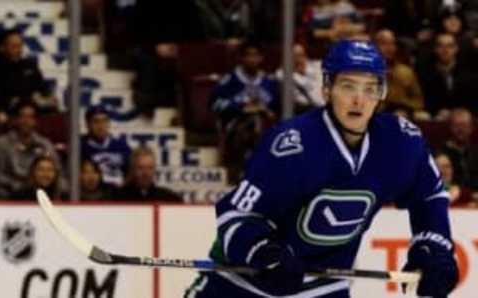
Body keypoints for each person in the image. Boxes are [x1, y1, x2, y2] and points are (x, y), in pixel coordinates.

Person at [186, 40, 458, 298]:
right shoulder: (293, 145)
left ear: (382, 92)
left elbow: (429, 196)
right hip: (244, 284)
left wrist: (433, 246)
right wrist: (264, 253)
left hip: (323, 288)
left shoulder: (400, 142)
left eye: (370, 88)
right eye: (348, 86)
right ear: (326, 88)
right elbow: (237, 215)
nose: (359, 100)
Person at [209, 41, 280, 182]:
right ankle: (241, 173)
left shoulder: (269, 82)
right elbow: (215, 104)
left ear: (261, 58)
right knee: (251, 124)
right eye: (248, 55)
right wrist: (240, 107)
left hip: (265, 128)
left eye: (256, 55)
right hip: (235, 126)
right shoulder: (229, 81)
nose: (252, 59)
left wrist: (266, 110)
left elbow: (277, 108)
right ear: (241, 58)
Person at [0, 101, 62, 198]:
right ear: (15, 119)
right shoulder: (2, 144)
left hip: (41, 193)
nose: (26, 121)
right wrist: (17, 185)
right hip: (10, 194)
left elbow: (57, 171)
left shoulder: (44, 144)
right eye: (22, 116)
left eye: (30, 117)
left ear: (36, 121)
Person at [0, 30, 57, 118]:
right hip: (8, 113)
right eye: (14, 47)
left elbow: (43, 89)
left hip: (32, 108)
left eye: (20, 46)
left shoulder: (30, 66)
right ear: (2, 48)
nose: (18, 50)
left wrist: (48, 99)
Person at [374, 29, 425, 117]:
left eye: (392, 43)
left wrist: (402, 102)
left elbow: (419, 102)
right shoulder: (367, 72)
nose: (389, 48)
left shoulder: (406, 71)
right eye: (384, 43)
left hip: (402, 112)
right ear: (374, 46)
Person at [81, 106, 132, 186]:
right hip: (93, 194)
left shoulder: (121, 146)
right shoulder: (80, 147)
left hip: (119, 193)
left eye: (104, 121)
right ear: (87, 124)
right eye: (96, 121)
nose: (101, 126)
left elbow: (132, 172)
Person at [116, 147, 182, 202]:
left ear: (155, 169)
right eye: (140, 168)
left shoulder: (169, 198)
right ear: (132, 169)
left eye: (150, 168)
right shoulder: (119, 198)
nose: (145, 173)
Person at [275, 43, 326, 113]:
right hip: (306, 112)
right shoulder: (283, 75)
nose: (299, 59)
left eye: (301, 55)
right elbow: (301, 100)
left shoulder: (317, 67)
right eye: (294, 57)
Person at [440, 108, 478, 192]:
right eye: (456, 125)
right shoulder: (440, 153)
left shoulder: (475, 152)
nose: (460, 129)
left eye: (464, 125)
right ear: (450, 127)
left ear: (471, 128)